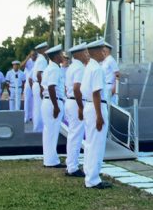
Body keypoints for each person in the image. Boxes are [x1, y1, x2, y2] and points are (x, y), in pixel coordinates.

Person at [81, 40, 112, 189]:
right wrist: (99, 116)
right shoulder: (97, 69)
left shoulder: (89, 67)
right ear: (94, 52)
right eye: (102, 50)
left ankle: (89, 173)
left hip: (89, 106)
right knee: (97, 144)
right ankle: (93, 179)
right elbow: (96, 93)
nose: (104, 53)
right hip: (96, 107)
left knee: (90, 143)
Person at [40, 45, 66, 168]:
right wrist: (56, 106)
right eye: (61, 54)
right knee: (52, 132)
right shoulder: (54, 69)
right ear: (56, 57)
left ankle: (49, 159)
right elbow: (51, 87)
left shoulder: (50, 68)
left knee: (49, 132)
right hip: (52, 102)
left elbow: (44, 87)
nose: (63, 56)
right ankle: (51, 161)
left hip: (48, 101)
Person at [65, 43, 88, 177]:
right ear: (79, 54)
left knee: (73, 134)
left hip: (71, 101)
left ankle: (71, 164)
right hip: (76, 102)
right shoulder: (79, 67)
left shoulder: (72, 67)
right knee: (76, 135)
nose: (87, 54)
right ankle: (72, 167)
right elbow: (77, 88)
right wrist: (81, 107)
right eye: (85, 52)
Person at [31, 42, 49, 133]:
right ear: (42, 50)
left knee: (37, 107)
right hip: (39, 84)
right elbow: (39, 74)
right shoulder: (42, 60)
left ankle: (37, 128)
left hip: (37, 84)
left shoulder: (40, 59)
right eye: (46, 48)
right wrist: (42, 87)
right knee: (39, 107)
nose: (47, 49)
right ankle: (38, 129)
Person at [23, 49, 38, 123]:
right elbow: (21, 66)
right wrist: (27, 58)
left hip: (35, 83)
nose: (33, 56)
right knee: (27, 100)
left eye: (34, 55)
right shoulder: (28, 61)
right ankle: (26, 116)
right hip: (28, 84)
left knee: (35, 100)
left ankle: (33, 116)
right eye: (32, 55)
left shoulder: (38, 62)